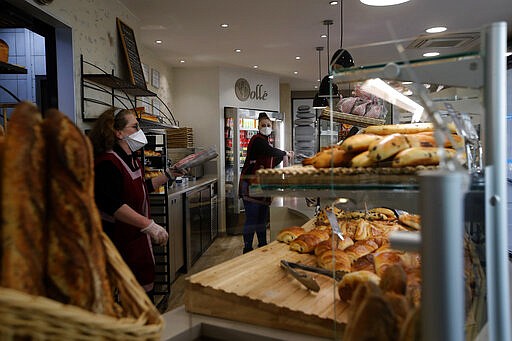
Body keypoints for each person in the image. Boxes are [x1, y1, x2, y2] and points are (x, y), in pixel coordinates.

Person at [88, 107, 180, 299]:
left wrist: (168, 175)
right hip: (118, 243)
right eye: (135, 127)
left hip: (136, 242)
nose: (140, 132)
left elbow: (140, 188)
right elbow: (113, 204)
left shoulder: (131, 159)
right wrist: (149, 225)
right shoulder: (107, 163)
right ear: (118, 132)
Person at [239, 112, 294, 254]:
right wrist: (284, 153)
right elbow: (269, 151)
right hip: (251, 184)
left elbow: (271, 160)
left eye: (268, 125)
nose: (266, 127)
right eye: (263, 125)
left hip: (261, 186)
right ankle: (247, 248)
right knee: (252, 218)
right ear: (258, 126)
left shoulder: (266, 143)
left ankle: (262, 244)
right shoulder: (257, 140)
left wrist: (282, 157)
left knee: (262, 218)